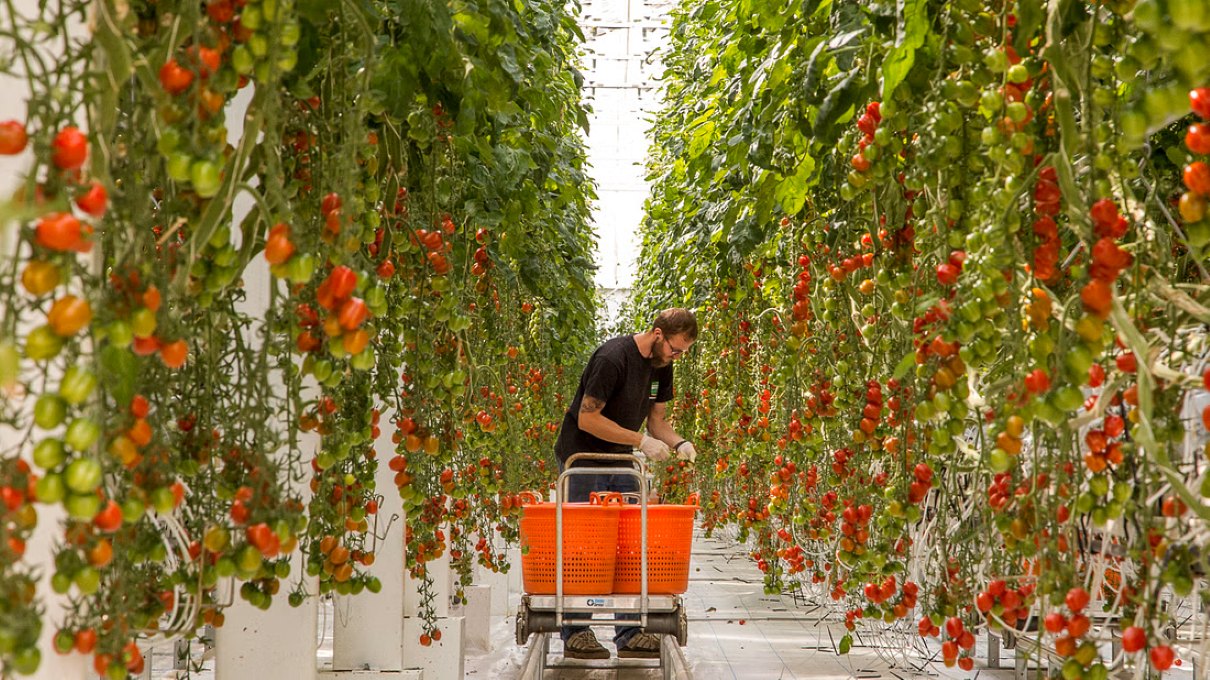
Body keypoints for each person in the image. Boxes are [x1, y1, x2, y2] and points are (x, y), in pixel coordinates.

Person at [552, 307, 699, 660]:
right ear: (658, 334)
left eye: (684, 352)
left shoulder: (661, 369)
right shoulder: (612, 358)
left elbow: (656, 422)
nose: (677, 356)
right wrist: (640, 443)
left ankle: (629, 632)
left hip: (622, 462)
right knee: (584, 547)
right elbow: (588, 420)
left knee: (629, 547)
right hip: (583, 459)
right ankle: (576, 631)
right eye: (676, 349)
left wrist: (679, 442)